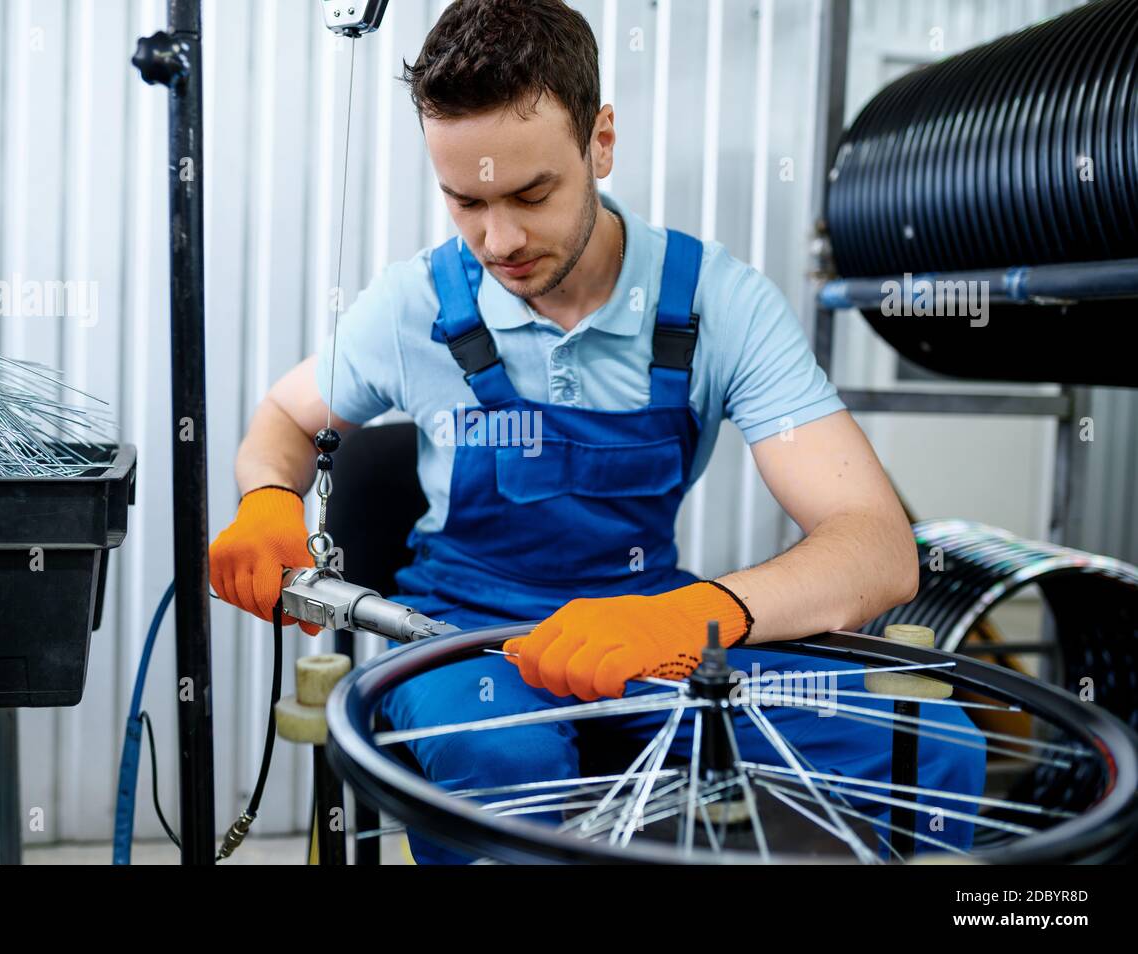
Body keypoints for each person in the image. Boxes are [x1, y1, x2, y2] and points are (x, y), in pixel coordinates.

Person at [210, 0, 984, 863]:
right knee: (497, 756)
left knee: (932, 743)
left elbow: (877, 547)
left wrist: (695, 618)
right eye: (465, 201)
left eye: (532, 194)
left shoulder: (718, 304)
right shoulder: (416, 303)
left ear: (601, 142)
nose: (498, 241)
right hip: (465, 634)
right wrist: (268, 496)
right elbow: (285, 416)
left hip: (651, 627)